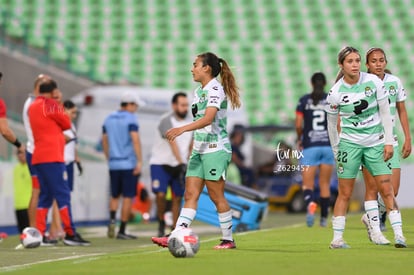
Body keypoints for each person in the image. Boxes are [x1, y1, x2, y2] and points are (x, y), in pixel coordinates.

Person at [152, 52, 241, 249]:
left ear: (206, 68)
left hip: (215, 149)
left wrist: (181, 129)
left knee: (216, 196)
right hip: (199, 150)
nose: (192, 69)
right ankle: (176, 234)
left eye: (195, 65)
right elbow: (200, 122)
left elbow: (208, 119)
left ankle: (228, 239)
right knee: (190, 195)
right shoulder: (198, 91)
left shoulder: (215, 89)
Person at [325, 46, 406, 249]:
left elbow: (386, 114)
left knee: (387, 189)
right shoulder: (335, 93)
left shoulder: (374, 82)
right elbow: (332, 126)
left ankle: (398, 235)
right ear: (341, 65)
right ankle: (337, 239)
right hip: (350, 145)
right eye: (350, 61)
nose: (354, 65)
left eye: (357, 61)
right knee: (345, 192)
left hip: (375, 144)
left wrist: (388, 141)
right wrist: (336, 149)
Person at [29, 79, 90, 246]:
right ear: (53, 92)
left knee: (46, 196)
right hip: (52, 157)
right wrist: (57, 102)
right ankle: (70, 233)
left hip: (39, 156)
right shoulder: (50, 105)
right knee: (63, 194)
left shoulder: (33, 106)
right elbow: (66, 122)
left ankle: (40, 234)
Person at [361, 47, 412, 239]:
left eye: (381, 60)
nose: (378, 64)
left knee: (394, 189)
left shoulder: (394, 82)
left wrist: (408, 137)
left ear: (386, 62)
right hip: (370, 142)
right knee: (373, 189)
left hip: (392, 141)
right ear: (367, 64)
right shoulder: (362, 83)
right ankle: (376, 229)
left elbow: (402, 111)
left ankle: (369, 217)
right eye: (374, 61)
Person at [22, 74, 63, 242]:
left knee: (42, 192)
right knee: (39, 192)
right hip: (38, 151)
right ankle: (35, 231)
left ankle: (39, 230)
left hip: (37, 150)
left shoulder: (33, 103)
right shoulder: (35, 104)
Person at [149, 92, 193, 238]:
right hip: (161, 163)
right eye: (182, 105)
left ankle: (175, 229)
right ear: (174, 106)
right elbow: (172, 142)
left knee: (177, 197)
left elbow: (191, 144)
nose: (185, 108)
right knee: (160, 195)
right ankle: (161, 221)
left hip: (179, 164)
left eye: (187, 105)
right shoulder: (166, 120)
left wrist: (188, 161)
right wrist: (181, 162)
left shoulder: (191, 122)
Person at [295, 72, 335, 228]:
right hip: (327, 145)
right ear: (324, 84)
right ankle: (324, 219)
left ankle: (311, 203)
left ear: (311, 84)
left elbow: (298, 124)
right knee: (325, 184)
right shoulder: (330, 100)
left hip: (310, 145)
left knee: (307, 185)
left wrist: (300, 138)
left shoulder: (304, 101)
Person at [102, 91, 143, 240]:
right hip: (128, 163)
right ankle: (122, 230)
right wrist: (139, 160)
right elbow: (135, 139)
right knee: (127, 196)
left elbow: (104, 140)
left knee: (114, 195)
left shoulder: (109, 118)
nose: (136, 108)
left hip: (114, 163)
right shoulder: (131, 119)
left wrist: (109, 157)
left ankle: (112, 221)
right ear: (130, 104)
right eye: (135, 105)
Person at [63, 100, 82, 192]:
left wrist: (77, 160)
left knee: (68, 192)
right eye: (72, 113)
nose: (74, 116)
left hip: (69, 163)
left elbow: (73, 144)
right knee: (60, 193)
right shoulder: (60, 125)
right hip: (62, 163)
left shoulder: (72, 126)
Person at [13, 147, 31, 233]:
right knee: (22, 232)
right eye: (19, 153)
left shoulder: (31, 167)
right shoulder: (16, 169)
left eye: (23, 153)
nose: (20, 155)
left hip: (29, 205)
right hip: (18, 205)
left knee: (30, 230)